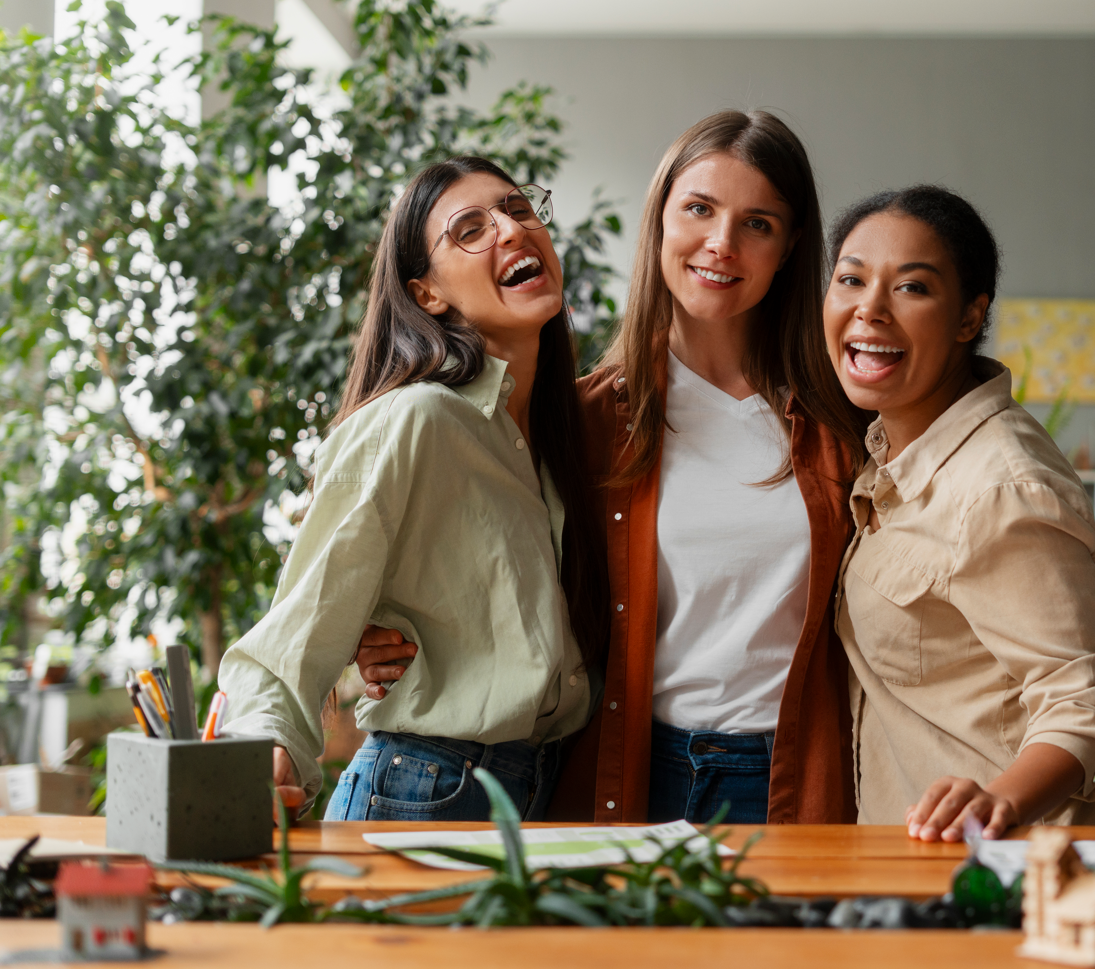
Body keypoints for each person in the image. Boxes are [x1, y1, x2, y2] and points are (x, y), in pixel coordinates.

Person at [354, 111, 868, 824]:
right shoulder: (581, 420)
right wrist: (377, 626)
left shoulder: (844, 426)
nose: (721, 242)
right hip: (627, 771)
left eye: (758, 223)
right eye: (699, 208)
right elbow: (460, 549)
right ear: (659, 219)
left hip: (794, 776)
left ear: (787, 248)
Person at [216, 156, 607, 821]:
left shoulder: (569, 434)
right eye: (469, 229)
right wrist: (265, 749)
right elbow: (304, 615)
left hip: (540, 791)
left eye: (517, 210)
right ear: (428, 293)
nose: (510, 232)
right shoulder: (416, 418)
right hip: (427, 788)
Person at [822, 185, 1095, 841]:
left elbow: (1080, 705)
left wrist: (996, 801)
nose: (869, 308)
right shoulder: (888, 456)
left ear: (967, 316)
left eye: (911, 288)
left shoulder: (1001, 483)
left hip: (1024, 867)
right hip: (925, 865)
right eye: (850, 279)